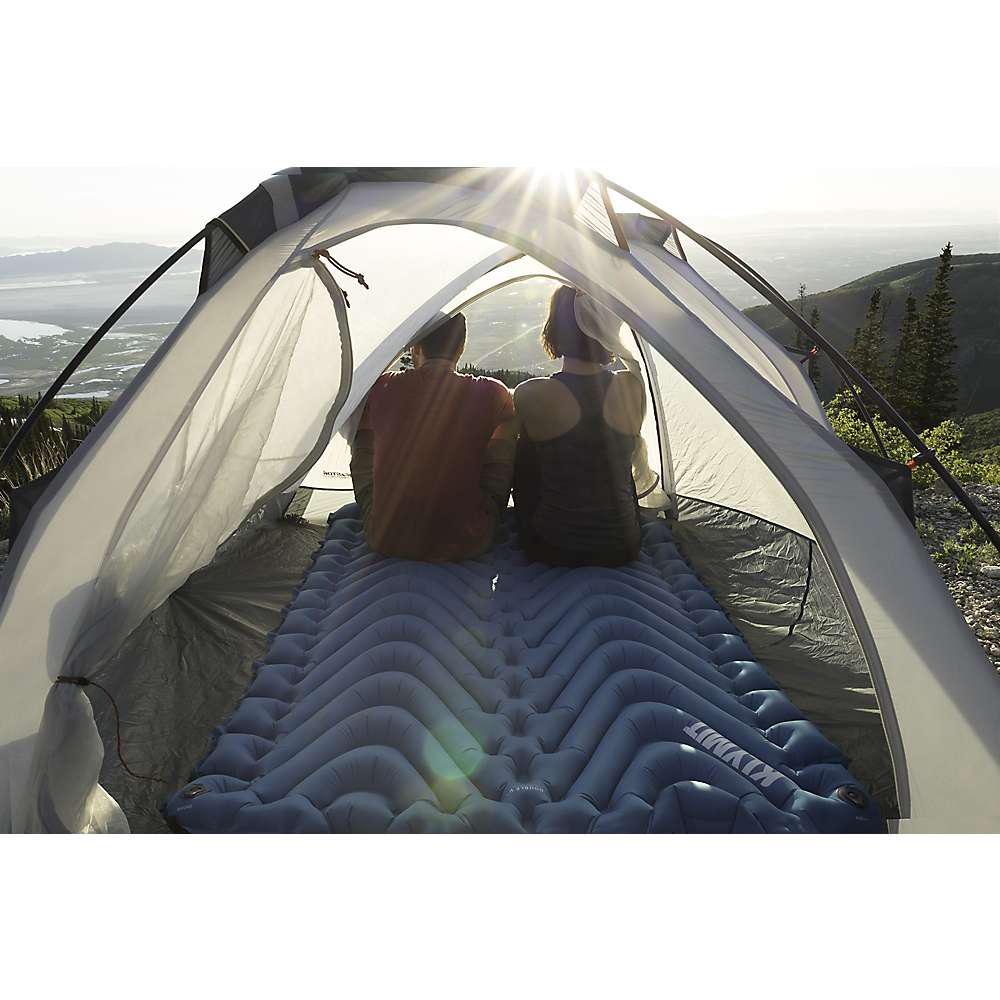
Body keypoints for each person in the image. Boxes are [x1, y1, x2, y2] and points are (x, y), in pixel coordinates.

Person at [349, 312, 516, 561]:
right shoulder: (494, 392)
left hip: (386, 538)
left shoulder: (381, 387)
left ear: (415, 348)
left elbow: (359, 438)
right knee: (504, 441)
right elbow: (501, 457)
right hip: (469, 540)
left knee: (363, 436)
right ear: (460, 349)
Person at [513, 285, 644, 567]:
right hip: (623, 546)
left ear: (555, 328)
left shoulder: (530, 393)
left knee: (526, 454)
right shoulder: (631, 386)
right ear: (606, 329)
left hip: (553, 546)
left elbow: (521, 476)